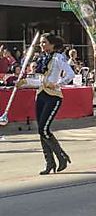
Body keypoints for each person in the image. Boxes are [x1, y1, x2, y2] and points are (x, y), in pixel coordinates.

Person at [15, 33, 75, 175]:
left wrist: (58, 84)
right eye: (41, 42)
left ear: (52, 44)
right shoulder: (42, 58)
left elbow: (70, 74)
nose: (42, 45)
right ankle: (50, 163)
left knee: (44, 129)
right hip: (41, 95)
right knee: (41, 131)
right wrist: (25, 83)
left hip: (53, 96)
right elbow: (41, 81)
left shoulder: (58, 57)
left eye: (44, 42)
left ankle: (61, 156)